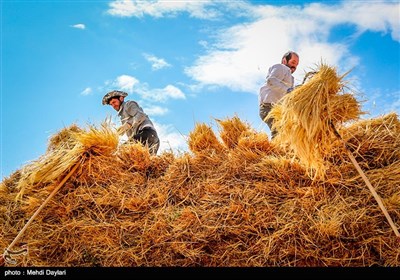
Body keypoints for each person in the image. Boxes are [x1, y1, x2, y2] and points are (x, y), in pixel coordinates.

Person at [102, 90, 160, 155]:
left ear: (121, 98)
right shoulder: (122, 117)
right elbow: (132, 137)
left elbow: (141, 115)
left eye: (114, 102)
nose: (113, 105)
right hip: (153, 141)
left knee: (121, 151)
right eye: (111, 104)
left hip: (147, 133)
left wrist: (128, 124)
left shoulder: (129, 104)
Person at [258, 51, 299, 139]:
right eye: (293, 62)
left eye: (296, 65)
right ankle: (274, 152)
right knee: (278, 133)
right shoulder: (281, 67)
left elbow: (288, 95)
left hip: (279, 110)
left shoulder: (291, 79)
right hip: (268, 107)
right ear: (284, 61)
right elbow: (271, 81)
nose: (294, 66)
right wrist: (288, 90)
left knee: (286, 134)